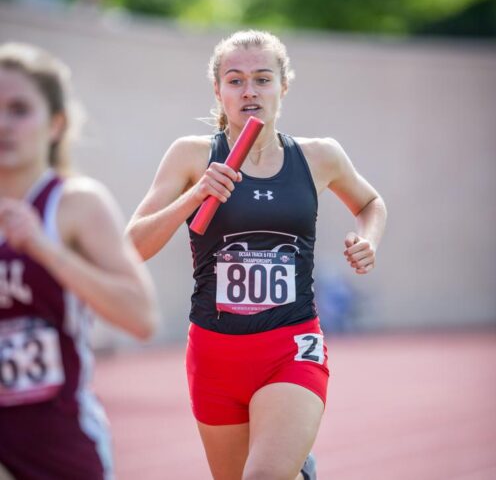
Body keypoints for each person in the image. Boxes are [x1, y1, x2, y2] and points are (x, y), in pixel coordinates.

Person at [127, 30, 387, 480]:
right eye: (235, 80)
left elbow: (370, 203)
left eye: (263, 79)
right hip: (214, 353)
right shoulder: (191, 155)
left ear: (282, 87)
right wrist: (194, 196)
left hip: (290, 345)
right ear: (218, 90)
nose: (249, 91)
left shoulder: (320, 156)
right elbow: (131, 247)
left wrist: (369, 239)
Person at [0, 42, 158, 480]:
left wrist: (43, 248)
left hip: (59, 445)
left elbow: (142, 317)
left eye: (18, 109)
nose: (3, 125)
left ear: (55, 124)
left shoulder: (74, 204)